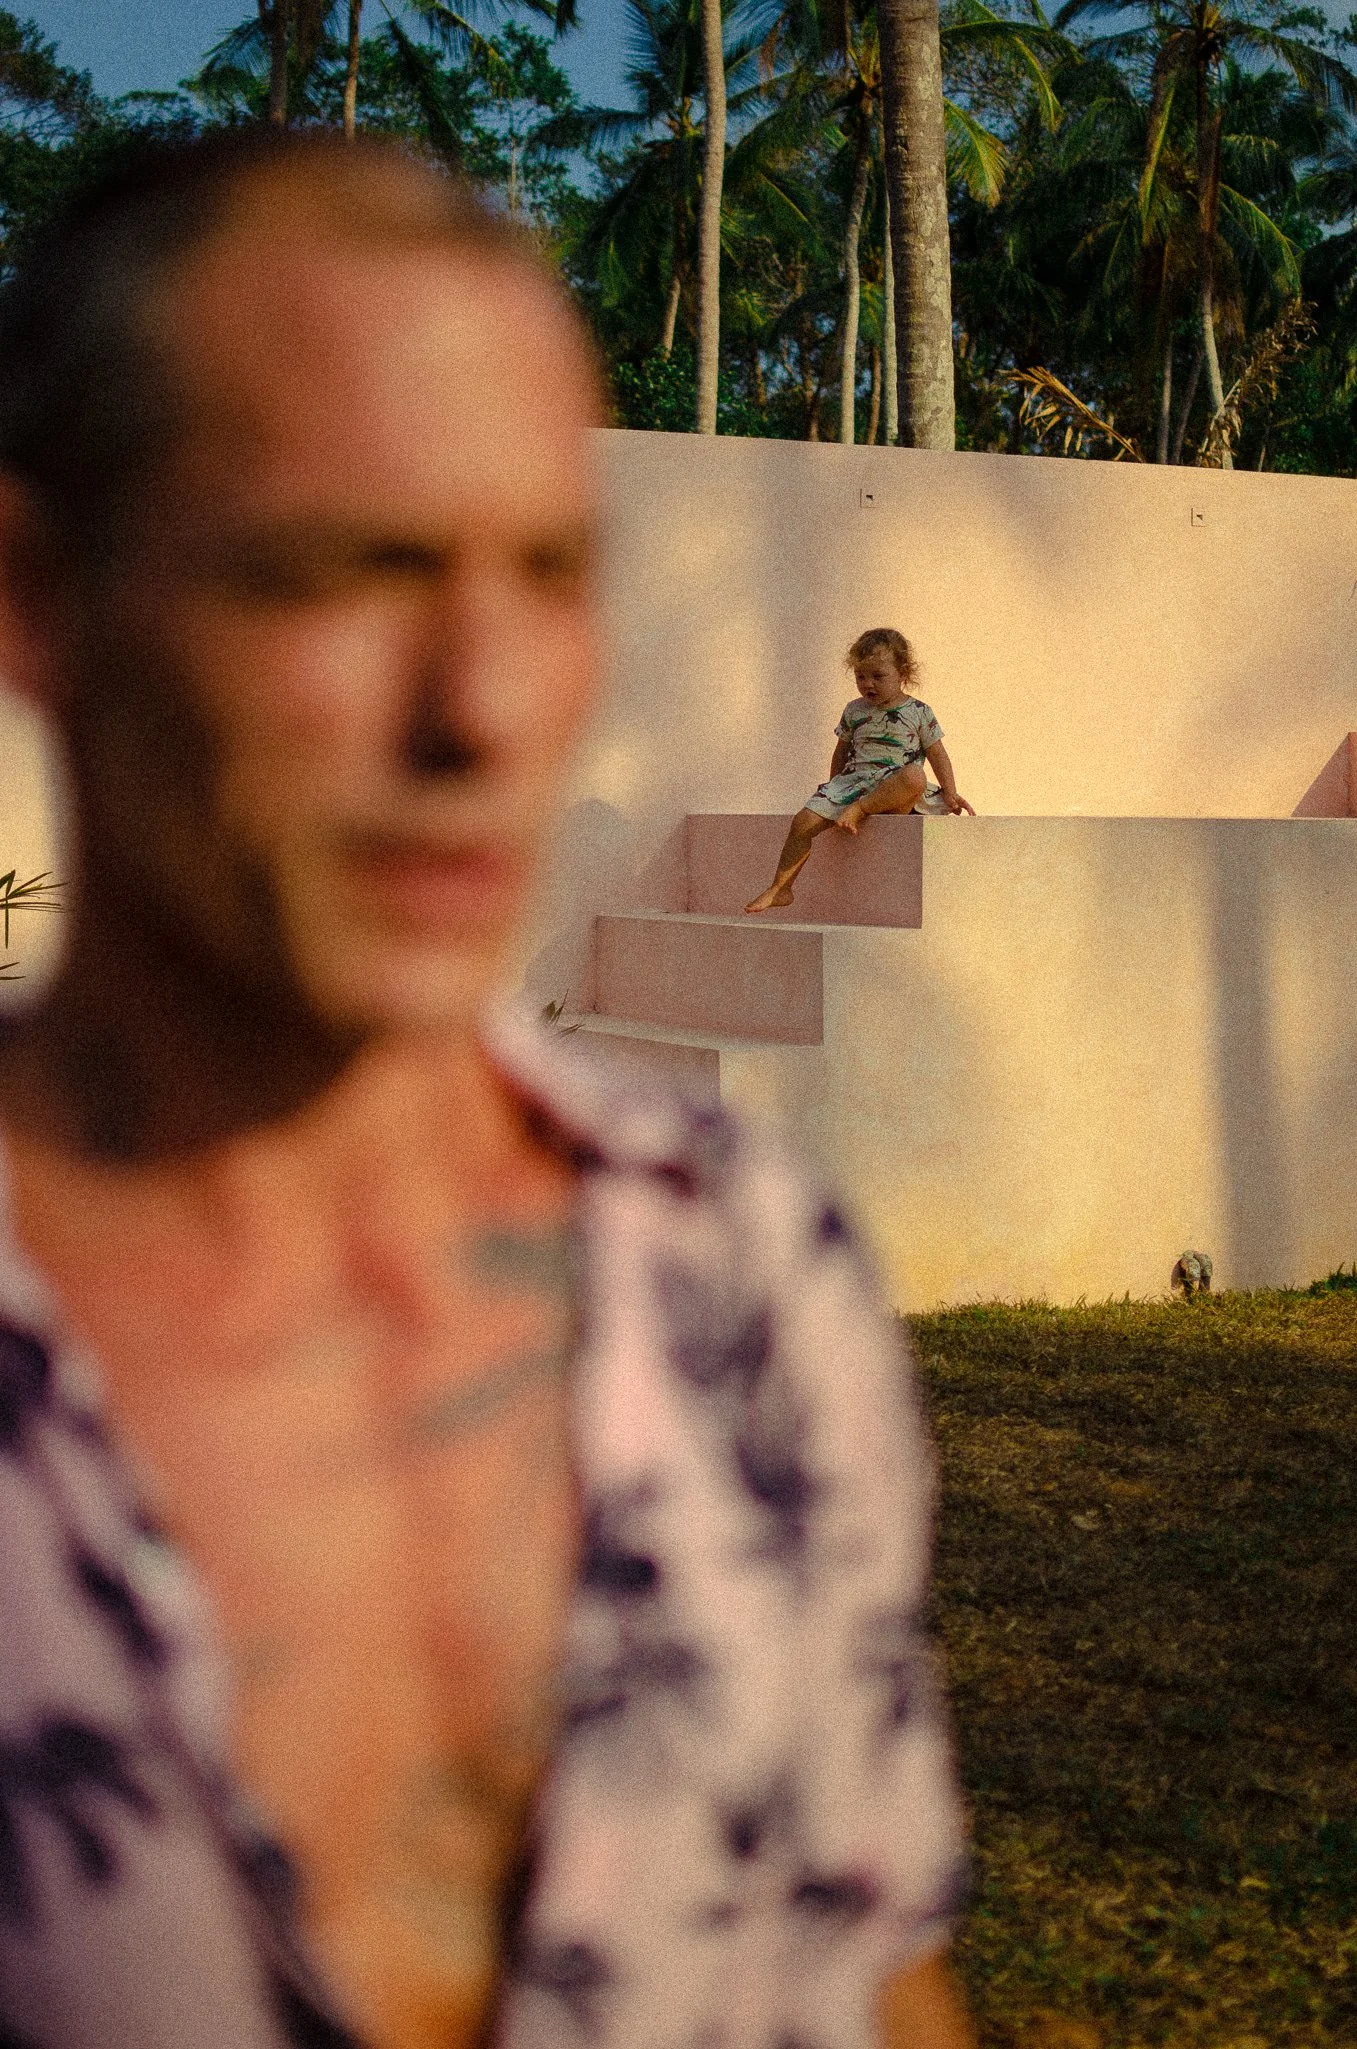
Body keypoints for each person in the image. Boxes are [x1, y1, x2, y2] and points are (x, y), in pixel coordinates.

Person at [0, 132, 975, 2049]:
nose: (482, 707)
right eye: (344, 568)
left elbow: (865, 1971)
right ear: (34, 593)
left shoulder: (748, 1265)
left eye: (549, 571)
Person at [745, 629, 974, 915]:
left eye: (878, 676)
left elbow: (938, 754)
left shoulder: (919, 711)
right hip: (854, 782)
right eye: (861, 677)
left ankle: (861, 809)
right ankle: (781, 887)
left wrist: (950, 793)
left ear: (902, 673)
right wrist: (831, 789)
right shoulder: (854, 710)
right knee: (802, 822)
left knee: (915, 776)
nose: (868, 684)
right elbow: (841, 750)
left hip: (893, 786)